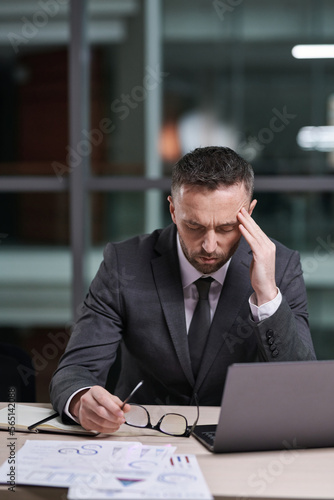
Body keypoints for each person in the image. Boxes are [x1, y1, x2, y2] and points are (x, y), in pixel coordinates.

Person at [50, 146, 316, 433]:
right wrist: (81, 401)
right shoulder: (123, 264)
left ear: (249, 213)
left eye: (226, 228)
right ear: (173, 211)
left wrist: (267, 296)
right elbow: (75, 371)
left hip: (243, 439)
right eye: (194, 226)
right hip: (143, 438)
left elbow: (304, 387)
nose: (209, 246)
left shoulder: (282, 267)